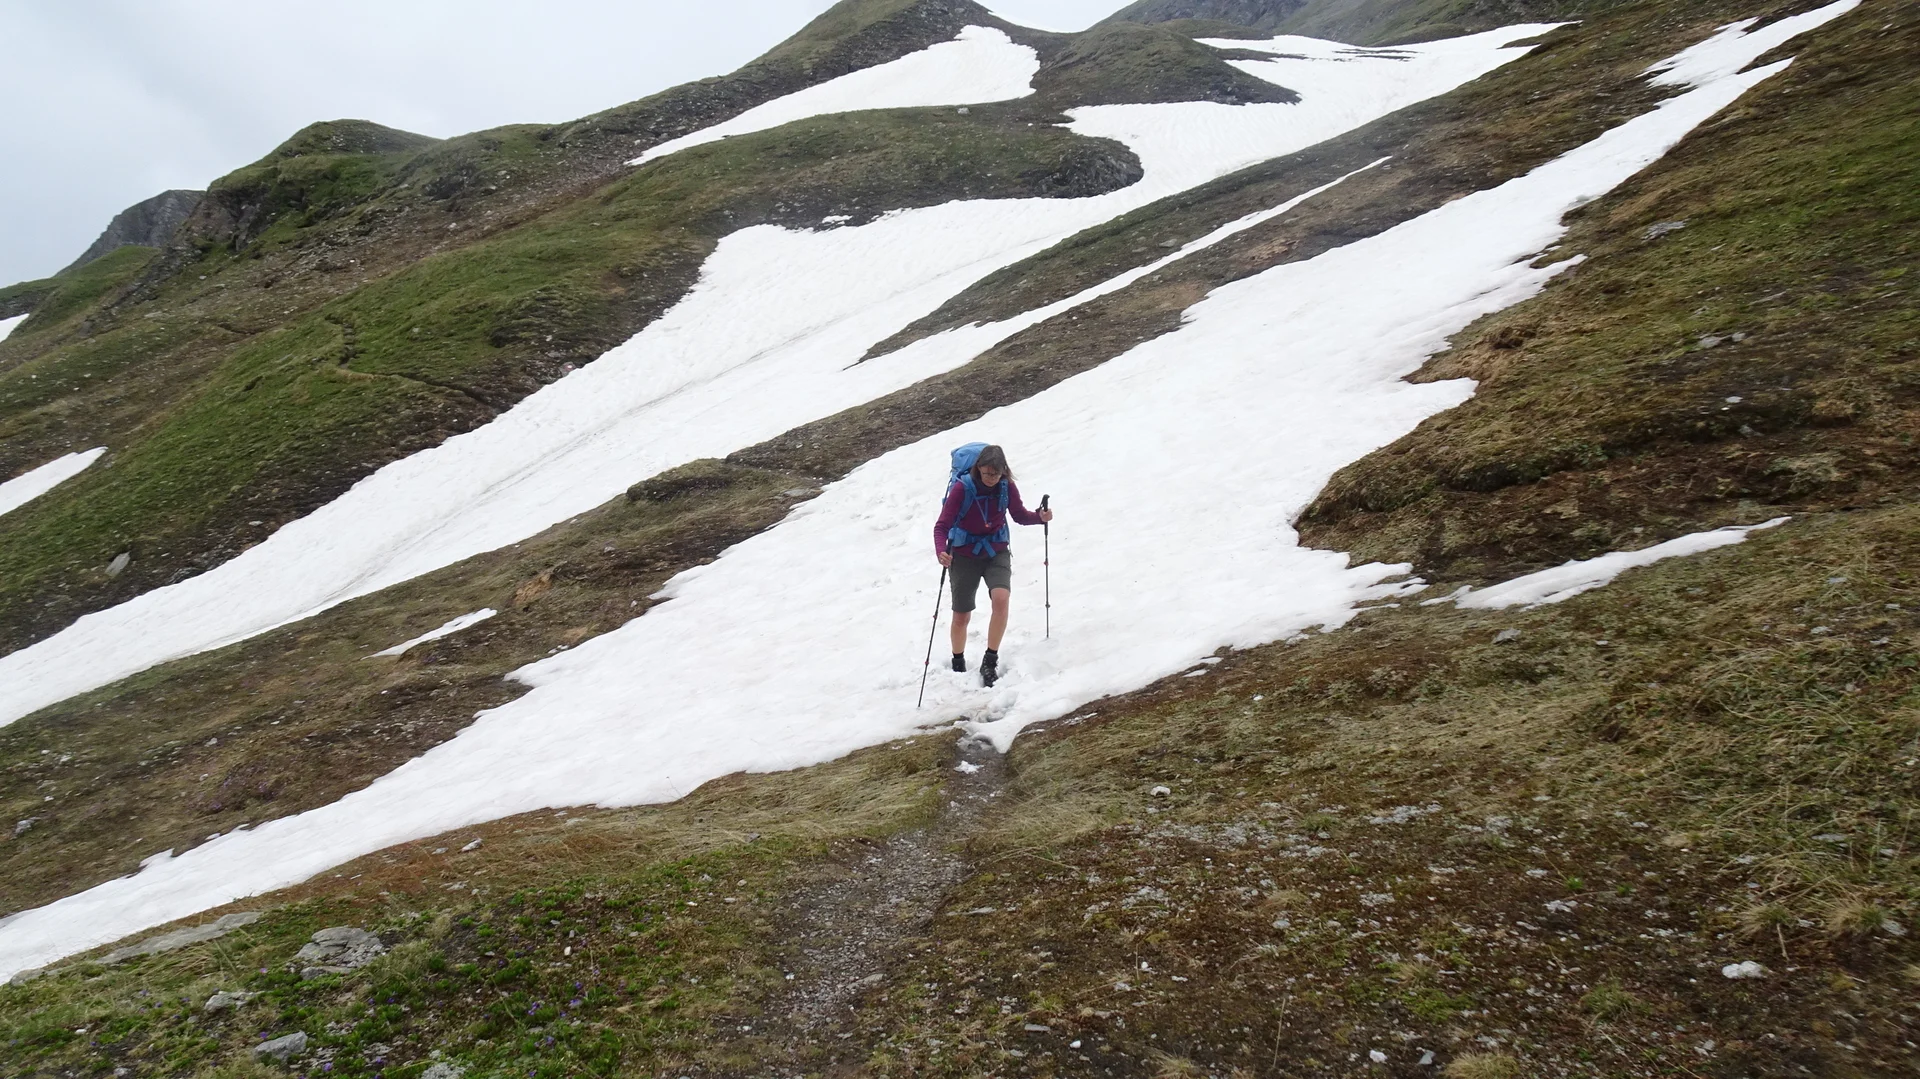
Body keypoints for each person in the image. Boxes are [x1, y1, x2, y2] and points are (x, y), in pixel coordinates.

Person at [933, 444, 1052, 687]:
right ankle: (958, 662)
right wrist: (941, 550)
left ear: (1003, 471)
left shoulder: (1006, 486)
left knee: (1001, 598)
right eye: (987, 473)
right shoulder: (962, 488)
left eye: (995, 474)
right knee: (961, 616)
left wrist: (1039, 518)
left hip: (996, 550)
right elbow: (941, 526)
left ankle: (990, 660)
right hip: (964, 555)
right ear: (978, 469)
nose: (991, 478)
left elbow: (1019, 515)